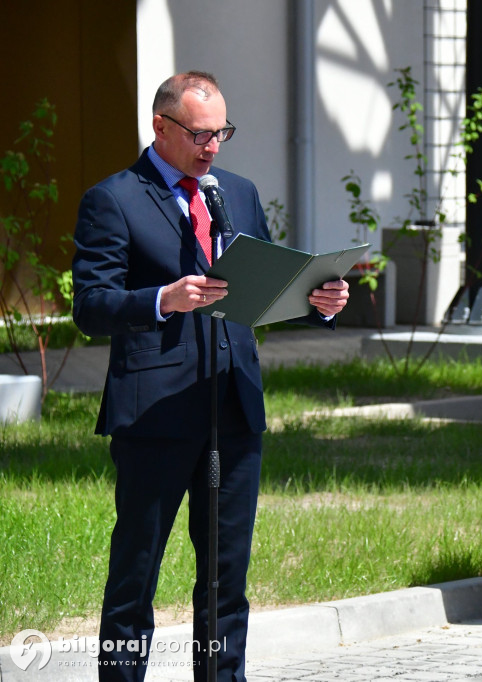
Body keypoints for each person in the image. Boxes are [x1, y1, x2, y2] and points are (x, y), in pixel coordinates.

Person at [72, 71, 350, 681]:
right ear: (161, 126)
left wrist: (316, 303)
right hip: (156, 413)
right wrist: (163, 299)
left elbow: (265, 288)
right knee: (135, 576)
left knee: (226, 578)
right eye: (200, 134)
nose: (213, 147)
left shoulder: (238, 193)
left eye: (222, 131)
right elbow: (90, 306)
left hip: (235, 407)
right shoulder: (113, 199)